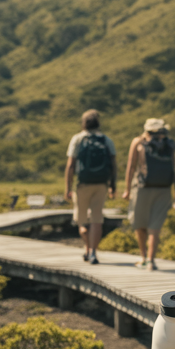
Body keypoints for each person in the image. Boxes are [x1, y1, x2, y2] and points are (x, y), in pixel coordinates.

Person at [122, 118, 175, 269]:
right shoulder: (168, 143)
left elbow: (131, 166)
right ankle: (151, 260)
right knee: (155, 226)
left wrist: (127, 189)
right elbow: (173, 168)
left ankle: (143, 257)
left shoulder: (138, 142)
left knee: (139, 223)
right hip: (164, 188)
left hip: (142, 188)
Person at [65, 109, 117, 264]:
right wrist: (112, 185)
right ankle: (93, 251)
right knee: (97, 218)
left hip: (82, 184)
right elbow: (113, 165)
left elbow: (70, 165)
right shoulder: (106, 140)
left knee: (81, 220)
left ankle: (87, 248)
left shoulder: (78, 139)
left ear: (84, 123)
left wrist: (67, 187)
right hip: (101, 184)